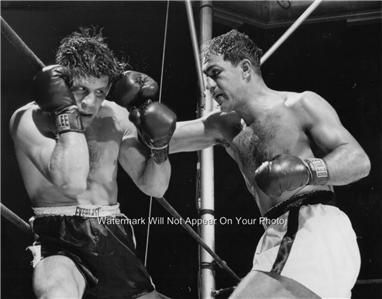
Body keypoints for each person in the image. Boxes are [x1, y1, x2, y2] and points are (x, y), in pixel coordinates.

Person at [170, 30, 371, 298]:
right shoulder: (225, 125)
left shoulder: (299, 105)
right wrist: (134, 114)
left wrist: (308, 171)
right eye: (207, 77)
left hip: (311, 226)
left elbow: (358, 160)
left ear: (244, 68)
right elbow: (161, 138)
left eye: (215, 73)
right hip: (277, 234)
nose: (209, 85)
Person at [10, 27, 176, 299]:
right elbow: (72, 182)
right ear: (62, 83)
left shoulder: (115, 116)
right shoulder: (28, 119)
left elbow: (154, 187)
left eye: (100, 92)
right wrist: (66, 112)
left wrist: (159, 147)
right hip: (61, 239)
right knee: (57, 293)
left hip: (115, 237)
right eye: (80, 90)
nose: (90, 103)